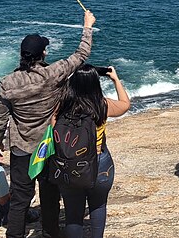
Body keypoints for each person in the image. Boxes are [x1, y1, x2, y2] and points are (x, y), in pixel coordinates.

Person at [0, 10, 96, 238]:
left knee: (20, 197)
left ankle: (15, 235)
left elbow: (1, 117)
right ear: (43, 54)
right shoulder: (52, 74)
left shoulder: (8, 83)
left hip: (21, 147)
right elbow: (81, 54)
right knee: (50, 192)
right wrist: (87, 26)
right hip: (49, 145)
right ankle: (50, 232)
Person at [54, 64, 129, 238]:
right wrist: (116, 79)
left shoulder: (62, 105)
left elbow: (54, 130)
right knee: (98, 206)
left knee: (73, 214)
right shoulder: (102, 104)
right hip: (99, 162)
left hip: (68, 162)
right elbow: (125, 105)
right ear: (96, 83)